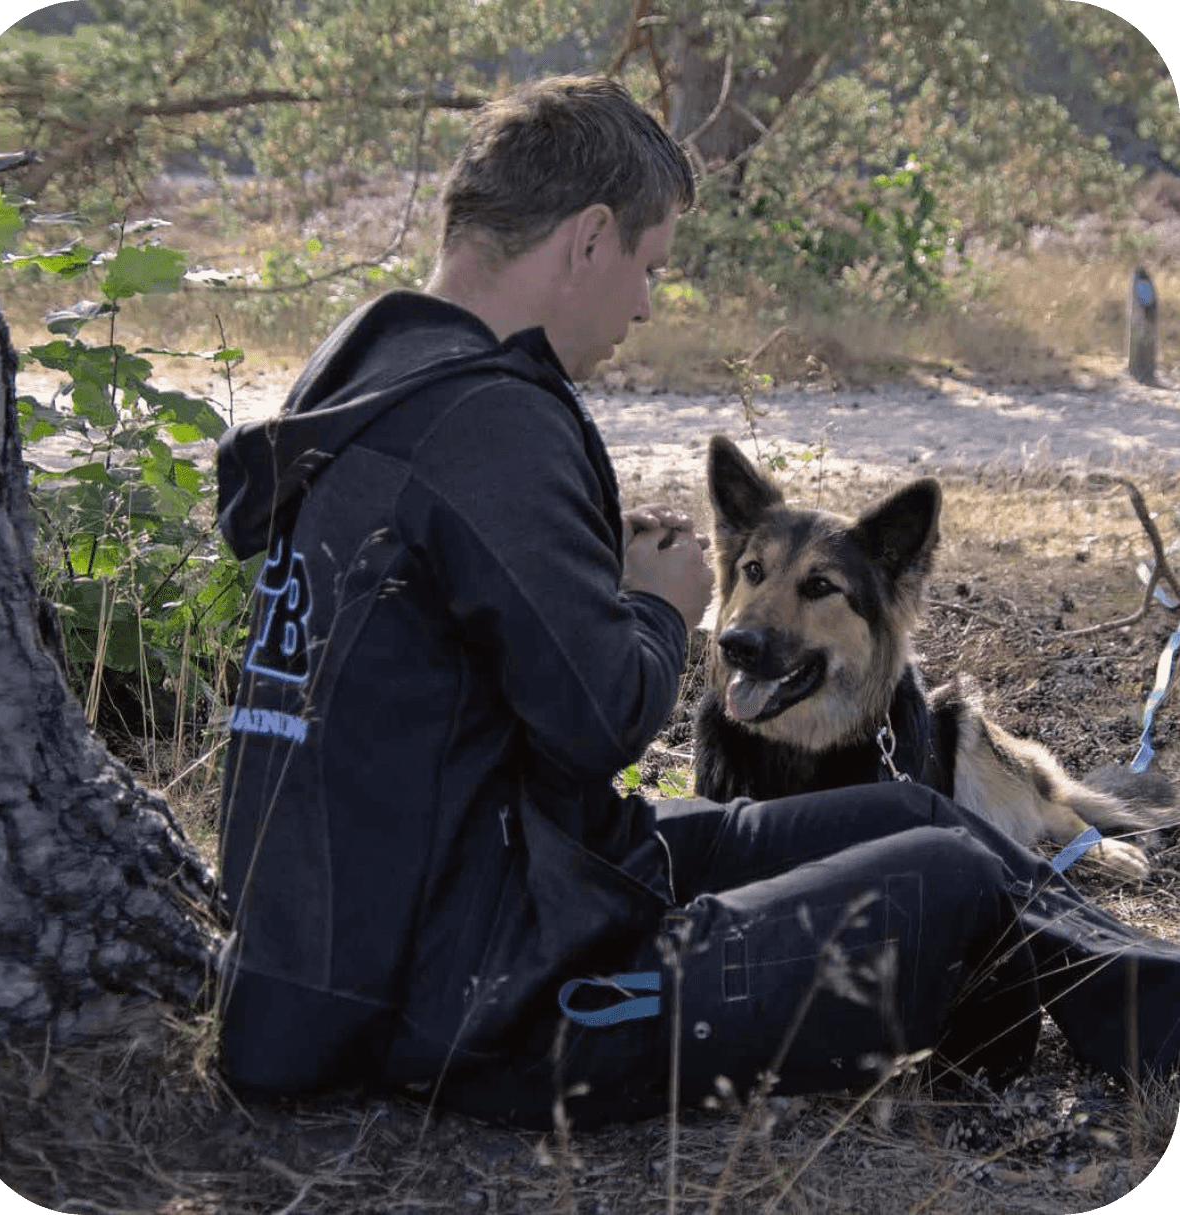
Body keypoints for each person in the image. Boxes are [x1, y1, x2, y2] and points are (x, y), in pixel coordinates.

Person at [214, 74, 1180, 1129]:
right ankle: (1104, 1042)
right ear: (590, 238)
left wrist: (595, 579)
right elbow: (599, 722)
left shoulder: (369, 371)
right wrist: (665, 605)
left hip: (366, 945)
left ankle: (1119, 1014)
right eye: (648, 268)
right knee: (948, 868)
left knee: (908, 808)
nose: (642, 307)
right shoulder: (492, 417)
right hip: (484, 1000)